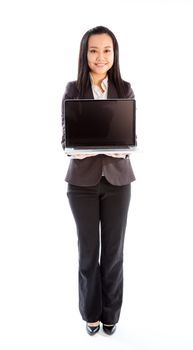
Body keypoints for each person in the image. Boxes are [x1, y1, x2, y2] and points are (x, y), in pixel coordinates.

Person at [61, 26, 136, 336]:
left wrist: (125, 148)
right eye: (94, 50)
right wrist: (72, 151)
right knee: (89, 251)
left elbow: (131, 133)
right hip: (82, 183)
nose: (100, 56)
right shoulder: (72, 89)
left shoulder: (125, 89)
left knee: (114, 252)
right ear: (85, 53)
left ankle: (111, 313)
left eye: (107, 50)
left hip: (118, 181)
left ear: (114, 54)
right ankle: (91, 313)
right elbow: (65, 137)